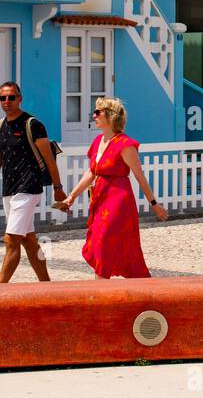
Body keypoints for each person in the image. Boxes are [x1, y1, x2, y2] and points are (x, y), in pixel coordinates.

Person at [53, 97, 168, 278]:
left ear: (111, 116)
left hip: (118, 199)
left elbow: (139, 176)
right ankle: (107, 282)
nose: (94, 115)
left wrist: (154, 203)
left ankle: (103, 284)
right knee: (100, 240)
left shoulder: (125, 144)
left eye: (98, 112)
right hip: (100, 197)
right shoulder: (98, 141)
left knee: (104, 239)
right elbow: (91, 172)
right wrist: (72, 196)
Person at [0, 82, 64, 283]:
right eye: (2, 98)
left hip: (29, 187)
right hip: (10, 189)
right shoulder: (0, 126)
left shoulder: (32, 124)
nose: (7, 101)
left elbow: (49, 159)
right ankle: (46, 284)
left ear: (19, 98)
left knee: (11, 239)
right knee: (28, 240)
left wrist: (58, 188)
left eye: (11, 97)